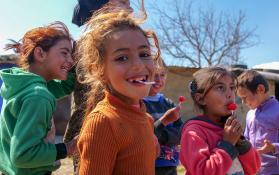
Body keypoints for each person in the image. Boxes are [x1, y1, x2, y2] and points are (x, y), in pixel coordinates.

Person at [75, 9, 161, 174]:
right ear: (98, 71)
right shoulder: (103, 123)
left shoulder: (146, 118)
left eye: (144, 54)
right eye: (122, 58)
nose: (138, 65)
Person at [64, 1, 140, 173]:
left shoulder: (122, 39)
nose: (131, 9)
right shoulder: (91, 43)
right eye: (124, 2)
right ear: (108, 6)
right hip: (94, 132)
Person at [0, 21, 77, 175]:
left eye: (72, 55)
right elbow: (23, 155)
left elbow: (64, 86)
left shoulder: (23, 85)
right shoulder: (38, 95)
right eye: (64, 53)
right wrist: (67, 148)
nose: (71, 60)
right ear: (40, 54)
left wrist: (74, 67)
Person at [180, 67, 261, 175]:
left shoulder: (228, 129)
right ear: (201, 99)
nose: (230, 94)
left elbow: (254, 168)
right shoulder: (194, 133)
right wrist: (227, 144)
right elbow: (203, 172)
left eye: (232, 88)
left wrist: (240, 142)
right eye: (220, 88)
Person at [236, 70, 279, 175]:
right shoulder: (250, 114)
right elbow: (247, 140)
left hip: (277, 171)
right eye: (241, 98)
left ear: (260, 89)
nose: (243, 102)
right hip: (254, 170)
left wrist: (274, 147)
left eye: (244, 97)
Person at [143, 58, 182, 175]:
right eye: (154, 75)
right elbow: (145, 136)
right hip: (149, 165)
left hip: (171, 164)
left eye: (162, 75)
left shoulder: (169, 103)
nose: (158, 80)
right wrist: (164, 122)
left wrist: (162, 136)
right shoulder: (140, 104)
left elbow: (180, 133)